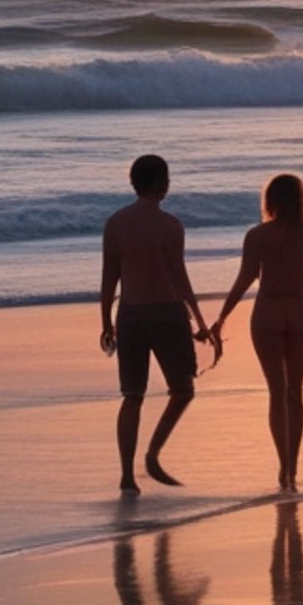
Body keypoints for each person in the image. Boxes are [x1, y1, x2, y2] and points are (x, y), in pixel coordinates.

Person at [208, 173, 303, 493]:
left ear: (270, 202)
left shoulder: (256, 236)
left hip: (267, 314)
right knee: (296, 390)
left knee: (276, 392)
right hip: (301, 313)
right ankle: (293, 466)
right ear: (301, 199)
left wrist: (222, 318)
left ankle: (283, 467)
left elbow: (244, 279)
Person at [100, 153, 216, 497]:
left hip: (131, 313)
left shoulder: (115, 223)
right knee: (182, 391)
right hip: (167, 313)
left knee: (132, 396)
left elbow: (110, 278)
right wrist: (198, 320)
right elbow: (179, 278)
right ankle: (152, 455)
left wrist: (106, 322)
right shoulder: (170, 225)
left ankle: (126, 475)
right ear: (161, 183)